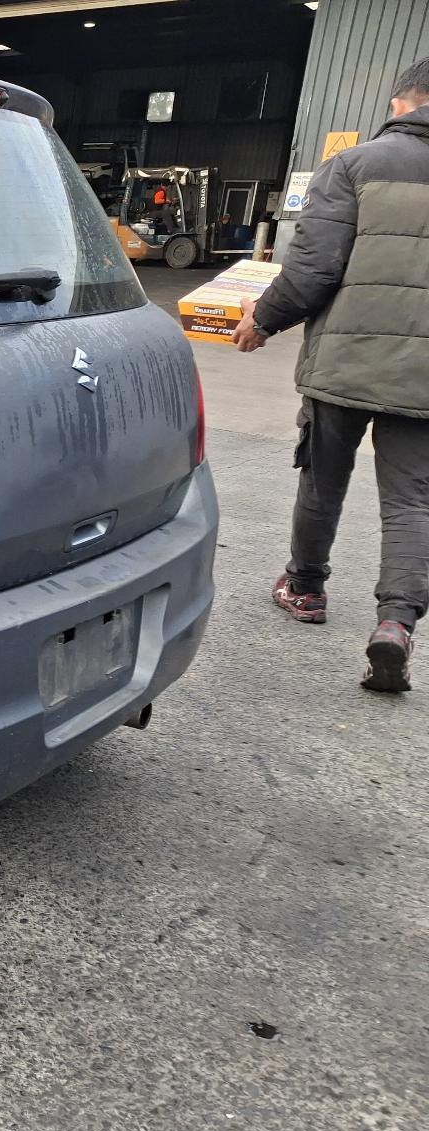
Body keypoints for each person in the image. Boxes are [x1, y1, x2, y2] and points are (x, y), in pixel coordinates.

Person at [233, 57, 429, 694]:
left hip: (344, 364)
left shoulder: (354, 165)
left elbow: (315, 269)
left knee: (323, 480)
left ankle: (306, 587)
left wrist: (262, 320)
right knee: (412, 502)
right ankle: (396, 625)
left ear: (404, 101)